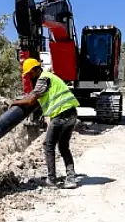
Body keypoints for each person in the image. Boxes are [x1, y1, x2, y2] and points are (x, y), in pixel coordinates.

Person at [11, 58, 79, 189]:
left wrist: (15, 102)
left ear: (36, 69)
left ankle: (51, 179)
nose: (29, 76)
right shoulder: (50, 77)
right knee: (64, 147)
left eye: (30, 73)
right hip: (71, 113)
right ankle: (71, 179)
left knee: (48, 144)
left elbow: (31, 100)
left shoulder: (43, 78)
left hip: (61, 114)